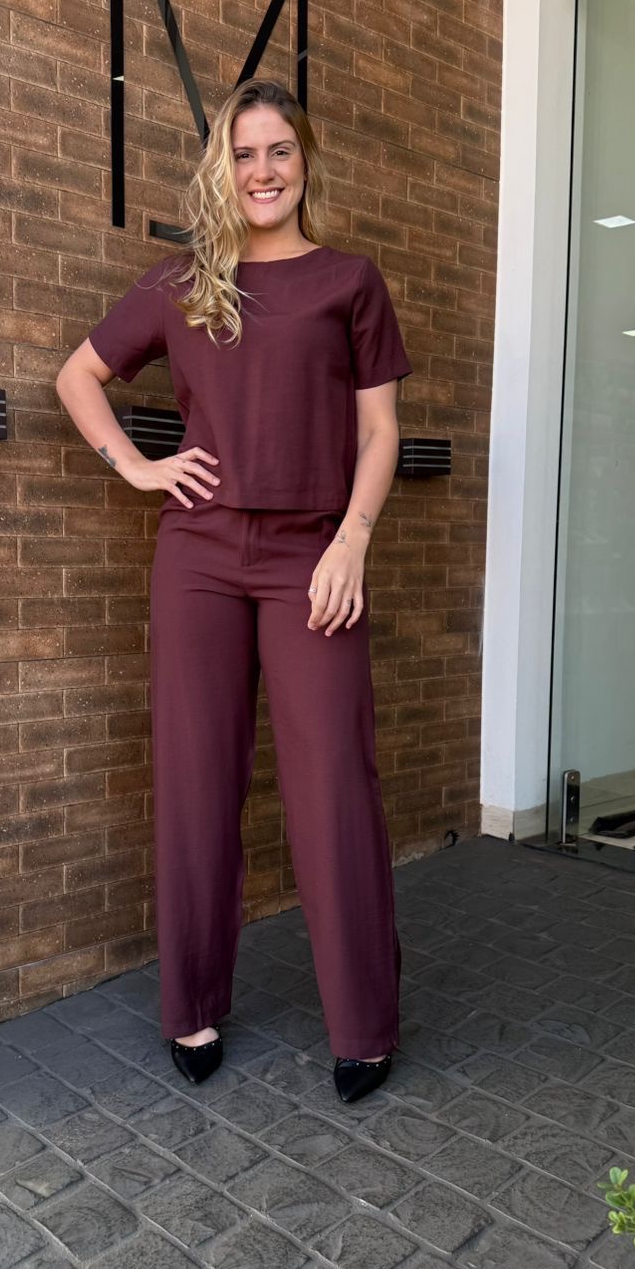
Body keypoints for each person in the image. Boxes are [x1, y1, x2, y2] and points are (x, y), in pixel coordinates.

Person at [56, 78, 413, 1104]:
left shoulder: (350, 281)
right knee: (196, 778)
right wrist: (137, 467)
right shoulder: (182, 281)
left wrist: (351, 543)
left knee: (334, 782)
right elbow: (77, 376)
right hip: (200, 557)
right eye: (244, 153)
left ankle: (364, 1025)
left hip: (312, 557)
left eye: (279, 151)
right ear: (224, 167)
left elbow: (380, 431)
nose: (263, 171)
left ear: (306, 162)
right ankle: (193, 1005)